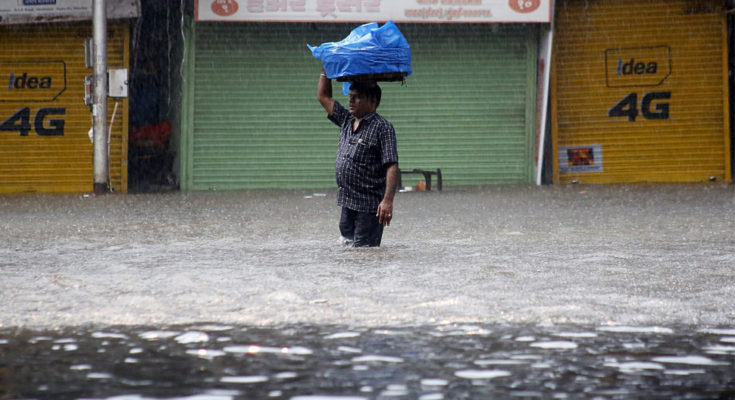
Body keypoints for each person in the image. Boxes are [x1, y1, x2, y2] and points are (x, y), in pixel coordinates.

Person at [317, 69, 399, 247]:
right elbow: (323, 97)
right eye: (350, 96)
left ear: (373, 101)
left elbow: (392, 165)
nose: (351, 100)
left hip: (369, 208)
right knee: (349, 252)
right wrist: (326, 71)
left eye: (357, 97)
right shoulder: (347, 120)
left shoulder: (382, 128)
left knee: (366, 252)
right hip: (347, 203)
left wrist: (387, 200)